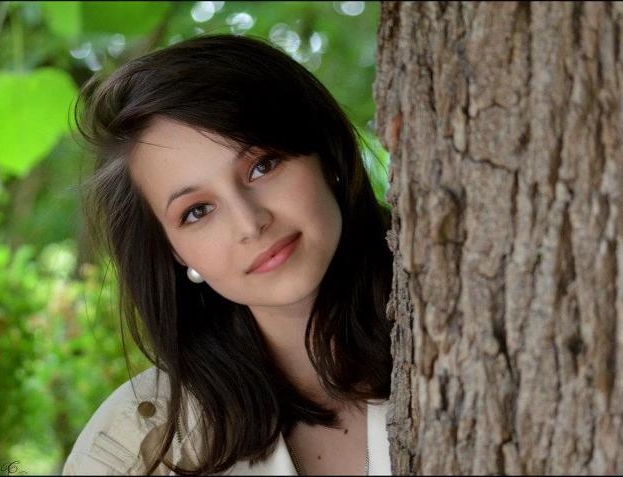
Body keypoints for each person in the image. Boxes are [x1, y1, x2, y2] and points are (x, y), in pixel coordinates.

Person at [62, 34, 393, 476]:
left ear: (325, 154)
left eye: (262, 166)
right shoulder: (131, 448)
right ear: (174, 251)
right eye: (197, 211)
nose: (249, 223)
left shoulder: (467, 325)